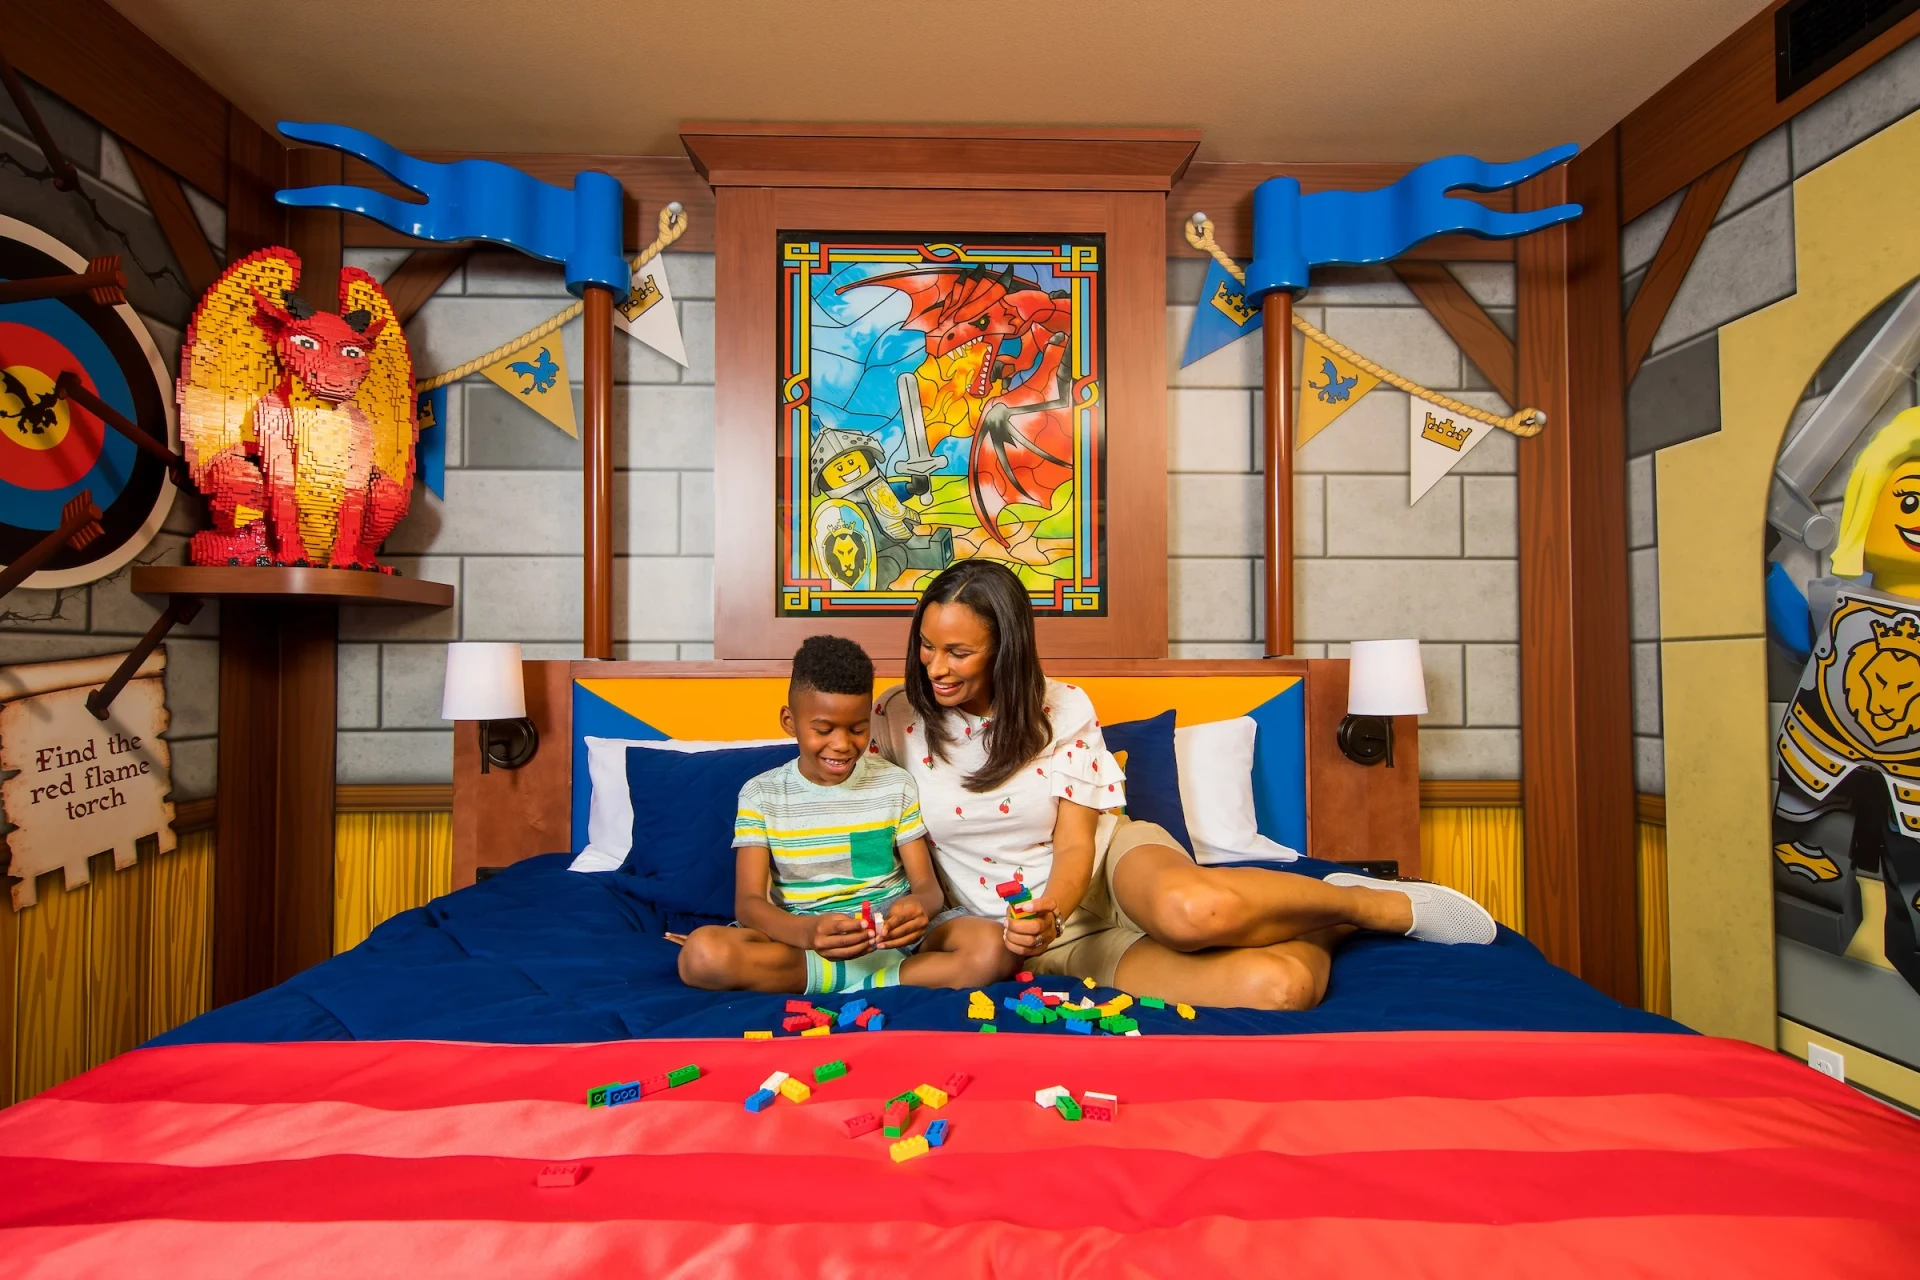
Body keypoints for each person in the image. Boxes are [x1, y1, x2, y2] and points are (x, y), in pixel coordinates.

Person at [873, 560, 1496, 1011]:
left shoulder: (1059, 707)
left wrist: (1053, 907)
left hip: (1101, 871)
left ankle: (1373, 903)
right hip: (1030, 939)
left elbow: (1074, 847)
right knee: (1281, 989)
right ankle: (1324, 924)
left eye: (958, 652)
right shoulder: (895, 718)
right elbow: (865, 824)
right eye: (926, 646)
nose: (934, 667)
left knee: (1192, 912)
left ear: (1003, 651)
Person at [674, 634, 1011, 995]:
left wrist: (917, 910)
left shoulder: (895, 784)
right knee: (702, 956)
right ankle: (888, 982)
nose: (842, 744)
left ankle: (869, 979)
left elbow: (927, 887)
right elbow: (750, 903)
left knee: (997, 946)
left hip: (895, 940)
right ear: (790, 721)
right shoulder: (761, 794)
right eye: (823, 730)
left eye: (857, 728)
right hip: (806, 942)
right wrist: (808, 933)